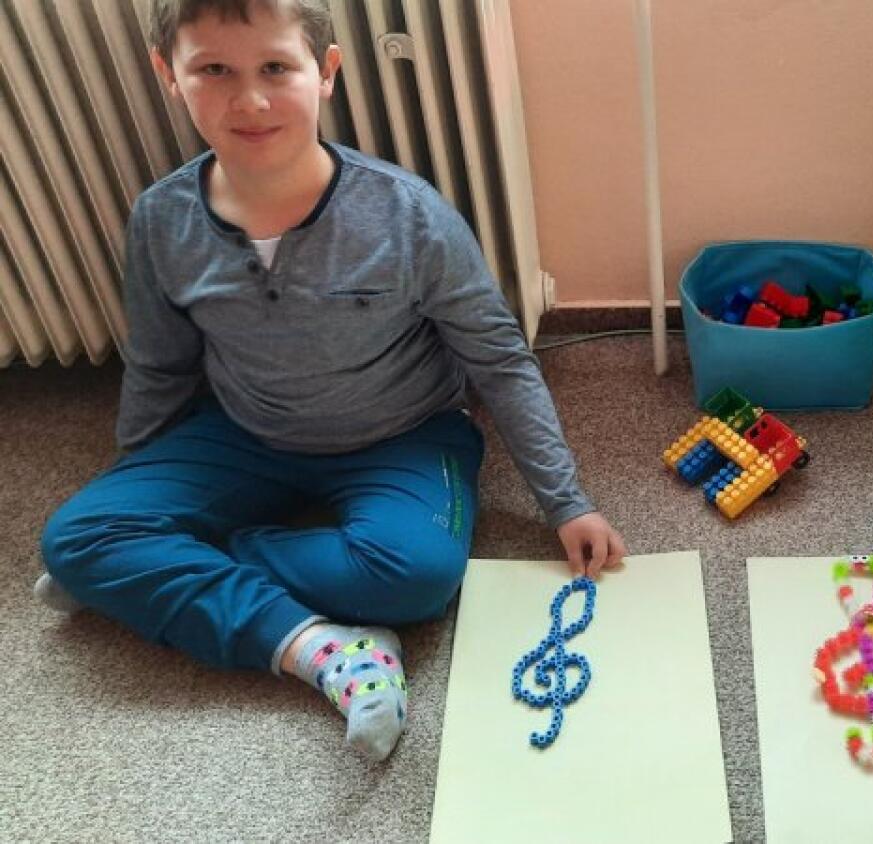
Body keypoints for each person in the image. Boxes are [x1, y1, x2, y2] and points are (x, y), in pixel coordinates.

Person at [36, 0, 625, 762]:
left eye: (275, 68)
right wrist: (137, 490)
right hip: (246, 431)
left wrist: (566, 501)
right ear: (169, 76)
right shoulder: (162, 219)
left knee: (416, 577)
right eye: (215, 70)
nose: (250, 100)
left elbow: (499, 359)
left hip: (406, 433)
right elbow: (159, 364)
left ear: (325, 73)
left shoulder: (408, 215)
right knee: (77, 538)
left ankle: (182, 569)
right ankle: (320, 649)